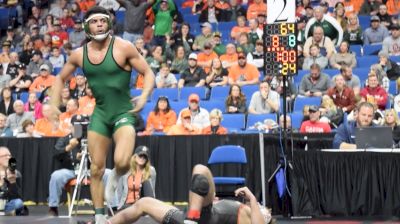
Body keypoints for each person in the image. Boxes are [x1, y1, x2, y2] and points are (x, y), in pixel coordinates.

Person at [50, 6, 155, 224]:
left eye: (103, 20)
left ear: (109, 24)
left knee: (123, 162)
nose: (99, 24)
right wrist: (52, 103)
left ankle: (117, 176)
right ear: (87, 26)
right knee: (96, 168)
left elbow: (148, 72)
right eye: (94, 21)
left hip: (124, 112)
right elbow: (60, 78)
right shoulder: (79, 54)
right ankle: (99, 217)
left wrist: (144, 95)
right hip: (100, 114)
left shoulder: (123, 47)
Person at [107, 164, 272, 224]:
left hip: (207, 217)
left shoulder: (256, 216)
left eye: (267, 212)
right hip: (190, 216)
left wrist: (252, 197)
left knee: (201, 169)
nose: (265, 209)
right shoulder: (243, 208)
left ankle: (191, 220)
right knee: (144, 202)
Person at [48, 116, 116, 216]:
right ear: (72, 127)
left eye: (83, 126)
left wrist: (90, 154)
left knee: (110, 173)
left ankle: (113, 207)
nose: (80, 129)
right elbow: (56, 154)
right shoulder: (65, 139)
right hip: (71, 171)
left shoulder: (93, 139)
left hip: (90, 170)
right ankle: (53, 207)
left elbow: (102, 154)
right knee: (56, 176)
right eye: (78, 126)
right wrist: (69, 147)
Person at [116, 146, 156, 210]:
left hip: (142, 205)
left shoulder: (151, 171)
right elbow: (119, 191)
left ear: (147, 160)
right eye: (140, 156)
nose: (142, 158)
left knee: (146, 181)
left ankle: (149, 208)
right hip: (126, 205)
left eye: (145, 157)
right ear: (135, 156)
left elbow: (151, 190)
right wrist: (118, 206)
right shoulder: (126, 170)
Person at [0, 147, 25, 216]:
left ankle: (5, 213)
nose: (8, 157)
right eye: (5, 155)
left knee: (18, 203)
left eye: (10, 155)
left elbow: (17, 196)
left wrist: (12, 182)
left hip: (6, 204)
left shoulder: (16, 173)